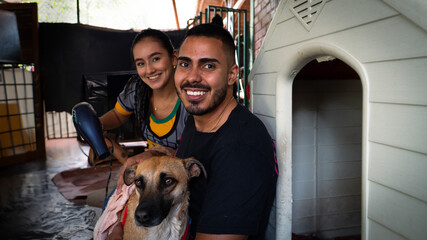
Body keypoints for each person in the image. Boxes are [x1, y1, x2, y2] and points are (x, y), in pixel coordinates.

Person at [174, 23, 278, 240]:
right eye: (185, 64)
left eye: (208, 66)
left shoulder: (241, 148)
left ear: (232, 75)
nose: (192, 77)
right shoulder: (198, 118)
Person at [99, 28, 189, 187]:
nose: (149, 70)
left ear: (174, 58)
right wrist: (98, 125)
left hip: (182, 180)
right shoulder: (137, 90)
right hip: (149, 175)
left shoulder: (190, 97)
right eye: (141, 63)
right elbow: (118, 115)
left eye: (155, 59)